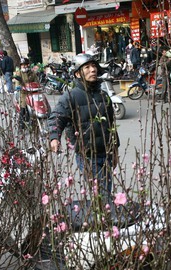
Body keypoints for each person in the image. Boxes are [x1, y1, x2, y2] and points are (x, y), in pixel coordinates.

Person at [47, 53, 120, 196]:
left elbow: (111, 125)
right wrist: (54, 136)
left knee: (105, 191)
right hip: (87, 156)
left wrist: (115, 149)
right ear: (78, 74)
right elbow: (57, 116)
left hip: (106, 154)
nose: (93, 70)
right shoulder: (71, 96)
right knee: (102, 192)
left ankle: (102, 217)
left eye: (93, 66)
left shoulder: (103, 96)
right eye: (87, 67)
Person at [12, 58, 38, 129]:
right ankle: (21, 124)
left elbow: (37, 82)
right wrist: (18, 87)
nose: (24, 66)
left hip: (32, 93)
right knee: (23, 107)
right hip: (23, 93)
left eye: (25, 65)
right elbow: (17, 83)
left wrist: (38, 86)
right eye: (22, 65)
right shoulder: (19, 73)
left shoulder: (32, 73)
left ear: (28, 65)